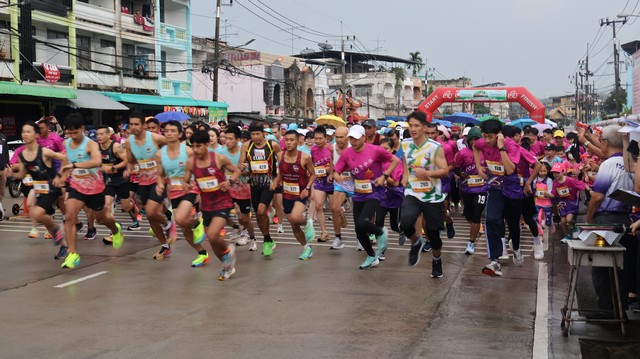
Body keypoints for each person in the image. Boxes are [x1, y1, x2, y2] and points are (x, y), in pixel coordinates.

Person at [53, 114, 124, 269]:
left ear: (83, 129)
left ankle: (115, 229)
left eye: (75, 132)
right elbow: (65, 163)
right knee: (70, 216)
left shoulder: (90, 144)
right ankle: (73, 253)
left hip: (95, 188)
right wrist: (61, 177)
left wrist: (74, 166)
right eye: (69, 133)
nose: (72, 136)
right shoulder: (66, 144)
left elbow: (96, 161)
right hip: (77, 187)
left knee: (102, 219)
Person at [473, 119, 535, 277]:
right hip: (496, 187)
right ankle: (494, 260)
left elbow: (509, 170)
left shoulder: (511, 146)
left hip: (512, 191)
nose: (487, 140)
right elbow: (475, 146)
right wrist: (479, 168)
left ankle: (516, 249)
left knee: (513, 224)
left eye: (490, 137)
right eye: (484, 136)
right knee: (491, 219)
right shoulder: (483, 142)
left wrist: (501, 148)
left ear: (499, 135)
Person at [334, 124, 399, 269]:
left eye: (356, 138)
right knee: (359, 228)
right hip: (359, 194)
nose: (353, 142)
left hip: (375, 192)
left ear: (364, 137)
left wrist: (384, 176)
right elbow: (336, 169)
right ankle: (371, 256)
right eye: (351, 138)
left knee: (363, 222)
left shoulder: (375, 150)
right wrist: (336, 176)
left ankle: (380, 232)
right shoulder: (346, 153)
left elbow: (395, 161)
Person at [587, 125, 636, 310]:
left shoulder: (608, 164)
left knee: (602, 266)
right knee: (622, 268)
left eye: (600, 140)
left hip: (606, 221)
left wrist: (590, 218)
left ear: (606, 142)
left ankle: (606, 310)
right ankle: (619, 308)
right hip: (625, 219)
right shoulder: (631, 163)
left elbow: (597, 196)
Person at [183, 130, 240, 281]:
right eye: (193, 146)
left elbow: (236, 171)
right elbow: (186, 179)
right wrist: (185, 185)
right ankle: (226, 266)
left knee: (214, 234)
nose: (195, 150)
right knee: (212, 240)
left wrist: (229, 182)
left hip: (223, 202)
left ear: (207, 145)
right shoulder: (191, 162)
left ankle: (228, 253)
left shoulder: (219, 159)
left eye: (199, 146)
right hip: (206, 204)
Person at [10, 122, 69, 259]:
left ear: (36, 135)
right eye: (23, 132)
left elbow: (64, 159)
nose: (25, 134)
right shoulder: (22, 155)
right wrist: (11, 173)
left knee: (36, 213)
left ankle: (57, 229)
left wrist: (60, 177)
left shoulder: (44, 152)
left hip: (52, 188)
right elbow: (22, 174)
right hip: (38, 188)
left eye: (29, 131)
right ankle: (63, 245)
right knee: (37, 213)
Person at [401, 112, 449, 278]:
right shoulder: (405, 144)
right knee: (406, 223)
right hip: (412, 192)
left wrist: (427, 174)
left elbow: (445, 171)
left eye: (416, 126)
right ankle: (416, 242)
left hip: (432, 196)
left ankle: (437, 260)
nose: (413, 129)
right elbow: (406, 163)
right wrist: (405, 177)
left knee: (434, 235)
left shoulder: (435, 148)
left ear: (423, 127)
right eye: (411, 125)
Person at [155, 120, 209, 267]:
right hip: (174, 191)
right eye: (166, 131)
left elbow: (200, 168)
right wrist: (160, 184)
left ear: (180, 134)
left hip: (190, 188)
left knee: (179, 218)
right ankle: (202, 253)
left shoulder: (188, 151)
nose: (169, 133)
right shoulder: (160, 154)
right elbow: (160, 174)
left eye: (173, 130)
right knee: (184, 228)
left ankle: (198, 223)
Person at [123, 113, 176, 260]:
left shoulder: (155, 138)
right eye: (131, 124)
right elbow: (131, 160)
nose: (133, 127)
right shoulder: (129, 142)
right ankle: (165, 245)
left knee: (151, 211)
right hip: (143, 181)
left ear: (143, 125)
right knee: (151, 219)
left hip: (160, 179)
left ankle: (168, 224)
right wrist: (128, 168)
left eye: (136, 124)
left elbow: (174, 148)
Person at [271, 130, 317, 260]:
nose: (289, 142)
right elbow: (281, 173)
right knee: (294, 224)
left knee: (296, 217)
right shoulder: (280, 155)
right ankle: (306, 248)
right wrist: (275, 181)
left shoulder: (304, 157)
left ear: (298, 141)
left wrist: (307, 188)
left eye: (292, 140)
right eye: (287, 140)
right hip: (287, 194)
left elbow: (313, 174)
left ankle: (308, 222)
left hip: (300, 193)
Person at [238, 121, 281, 256]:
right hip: (254, 184)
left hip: (268, 184)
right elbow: (241, 164)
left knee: (262, 211)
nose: (255, 137)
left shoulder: (272, 145)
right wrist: (242, 167)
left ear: (264, 133)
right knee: (259, 214)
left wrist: (276, 180)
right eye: (253, 134)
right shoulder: (246, 146)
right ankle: (267, 239)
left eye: (258, 134)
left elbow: (283, 164)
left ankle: (267, 239)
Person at [95, 125, 140, 237]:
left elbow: (127, 160)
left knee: (126, 207)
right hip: (107, 181)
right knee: (107, 205)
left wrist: (114, 168)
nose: (99, 137)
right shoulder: (96, 147)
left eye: (102, 134)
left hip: (121, 180)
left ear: (109, 135)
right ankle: (114, 230)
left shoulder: (115, 146)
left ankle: (131, 204)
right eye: (97, 134)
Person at [217, 125, 256, 247]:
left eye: (230, 139)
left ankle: (252, 238)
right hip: (227, 188)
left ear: (238, 139)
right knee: (222, 213)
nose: (226, 141)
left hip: (243, 188)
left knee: (244, 218)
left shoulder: (244, 152)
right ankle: (236, 228)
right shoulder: (221, 153)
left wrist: (242, 171)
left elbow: (251, 171)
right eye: (225, 138)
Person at [454, 127, 488, 255]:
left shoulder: (486, 152)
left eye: (476, 139)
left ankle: (471, 242)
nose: (474, 142)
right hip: (467, 189)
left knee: (477, 212)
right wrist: (461, 174)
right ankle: (475, 225)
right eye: (471, 140)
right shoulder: (462, 153)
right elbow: (456, 168)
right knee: (469, 215)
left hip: (482, 188)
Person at [375, 137, 405, 259]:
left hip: (395, 198)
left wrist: (384, 177)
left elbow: (396, 183)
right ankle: (381, 249)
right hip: (381, 198)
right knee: (379, 223)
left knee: (394, 225)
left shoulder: (397, 162)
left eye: (386, 149)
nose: (383, 151)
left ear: (393, 149)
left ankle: (402, 231)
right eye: (381, 149)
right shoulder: (377, 161)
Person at [329, 126, 354, 250]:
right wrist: (331, 174)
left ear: (348, 137)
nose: (338, 140)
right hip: (340, 183)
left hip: (355, 182)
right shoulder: (332, 147)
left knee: (361, 213)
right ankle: (338, 238)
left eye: (341, 137)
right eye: (336, 137)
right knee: (334, 208)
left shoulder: (353, 147)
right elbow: (332, 162)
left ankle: (366, 236)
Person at [550, 162, 589, 241]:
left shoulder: (570, 180)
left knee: (569, 219)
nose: (555, 174)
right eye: (554, 173)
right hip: (562, 204)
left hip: (572, 203)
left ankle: (575, 227)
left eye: (557, 172)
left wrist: (589, 189)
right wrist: (547, 195)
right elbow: (553, 194)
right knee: (563, 222)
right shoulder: (555, 182)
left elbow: (581, 184)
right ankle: (567, 235)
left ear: (563, 171)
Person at [310, 126, 333, 242]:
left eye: (320, 138)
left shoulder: (331, 148)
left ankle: (342, 217)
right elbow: (313, 164)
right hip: (319, 180)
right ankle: (324, 232)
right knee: (318, 205)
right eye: (316, 138)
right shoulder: (313, 149)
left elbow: (338, 164)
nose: (318, 141)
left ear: (326, 138)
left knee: (335, 208)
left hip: (332, 180)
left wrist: (331, 170)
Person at [0, 121, 8, 219]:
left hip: (2, 169)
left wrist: (7, 166)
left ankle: (0, 208)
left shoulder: (3, 137)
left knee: (1, 191)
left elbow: (5, 152)